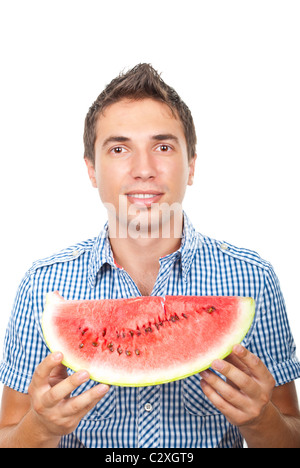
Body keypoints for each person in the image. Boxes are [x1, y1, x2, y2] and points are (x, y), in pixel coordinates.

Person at [0, 64, 300, 449]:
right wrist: (40, 428)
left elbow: (291, 434)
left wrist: (262, 422)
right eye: (120, 148)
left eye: (162, 147)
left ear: (191, 165)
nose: (143, 170)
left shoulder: (251, 279)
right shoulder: (43, 286)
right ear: (92, 170)